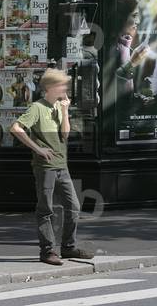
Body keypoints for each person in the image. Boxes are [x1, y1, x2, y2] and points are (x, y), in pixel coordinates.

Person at [10, 68, 94, 266]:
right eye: (61, 85)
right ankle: (47, 251)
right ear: (50, 87)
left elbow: (65, 135)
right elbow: (15, 128)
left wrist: (65, 111)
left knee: (73, 206)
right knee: (45, 209)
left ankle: (68, 246)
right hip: (45, 166)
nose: (65, 88)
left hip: (61, 165)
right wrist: (38, 149)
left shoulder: (58, 106)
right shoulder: (37, 107)